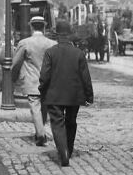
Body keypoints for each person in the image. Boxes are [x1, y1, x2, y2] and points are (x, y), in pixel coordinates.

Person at [38, 18, 93, 167]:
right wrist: (89, 96)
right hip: (74, 96)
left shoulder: (50, 53)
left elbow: (44, 76)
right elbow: (85, 77)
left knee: (57, 124)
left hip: (54, 95)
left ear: (57, 36)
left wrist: (42, 90)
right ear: (69, 35)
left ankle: (64, 153)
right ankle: (69, 148)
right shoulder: (79, 53)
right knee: (71, 122)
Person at [11, 14, 56, 144]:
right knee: (44, 108)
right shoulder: (52, 44)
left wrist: (15, 78)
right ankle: (40, 132)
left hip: (31, 81)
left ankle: (40, 134)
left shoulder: (24, 43)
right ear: (44, 27)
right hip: (48, 82)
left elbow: (15, 64)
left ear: (31, 26)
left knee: (35, 107)